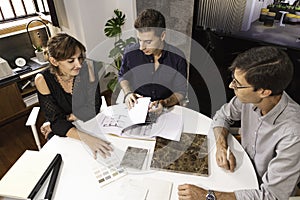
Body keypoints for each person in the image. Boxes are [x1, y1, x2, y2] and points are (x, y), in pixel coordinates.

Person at [178, 46, 300, 199]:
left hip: (259, 189)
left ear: (264, 92)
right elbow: (222, 115)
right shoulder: (250, 98)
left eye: (237, 84)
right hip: (238, 171)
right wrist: (221, 146)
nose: (231, 86)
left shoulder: (293, 134)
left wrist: (208, 196)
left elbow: (272, 196)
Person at [35, 33, 112, 158]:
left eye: (80, 58)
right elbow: (56, 121)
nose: (79, 65)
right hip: (65, 131)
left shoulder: (88, 69)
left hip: (86, 121)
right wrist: (86, 138)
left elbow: (94, 108)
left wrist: (63, 119)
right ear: (54, 61)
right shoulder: (43, 80)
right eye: (71, 61)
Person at [118, 8, 187, 113]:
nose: (142, 47)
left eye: (148, 41)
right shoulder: (130, 53)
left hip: (167, 108)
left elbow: (180, 92)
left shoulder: (178, 58)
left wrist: (163, 103)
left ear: (162, 36)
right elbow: (123, 76)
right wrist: (128, 93)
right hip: (137, 107)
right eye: (139, 40)